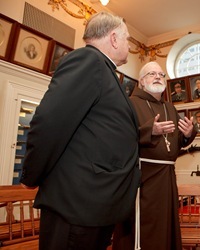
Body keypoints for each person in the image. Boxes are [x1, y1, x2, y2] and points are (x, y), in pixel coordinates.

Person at [20, 12, 141, 250]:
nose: (129, 46)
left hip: (93, 204)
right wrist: (31, 174)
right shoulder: (87, 60)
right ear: (114, 38)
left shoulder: (104, 69)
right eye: (127, 39)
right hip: (77, 205)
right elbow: (49, 122)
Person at [112, 61, 196, 250]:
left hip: (166, 177)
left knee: (165, 224)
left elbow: (174, 143)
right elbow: (119, 138)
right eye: (152, 74)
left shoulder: (170, 108)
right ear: (141, 81)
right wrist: (150, 130)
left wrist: (188, 134)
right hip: (144, 178)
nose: (158, 77)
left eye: (161, 74)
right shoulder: (130, 103)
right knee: (146, 227)